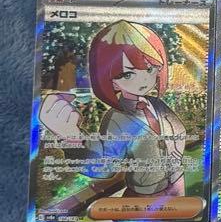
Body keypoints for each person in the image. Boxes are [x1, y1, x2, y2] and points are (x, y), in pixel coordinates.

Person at [37, 21, 187, 202]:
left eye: (149, 69)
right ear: (111, 80)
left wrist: (174, 151)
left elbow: (178, 131)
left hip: (178, 183)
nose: (143, 80)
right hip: (145, 195)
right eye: (127, 74)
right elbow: (104, 165)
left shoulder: (157, 104)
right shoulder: (117, 117)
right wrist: (72, 138)